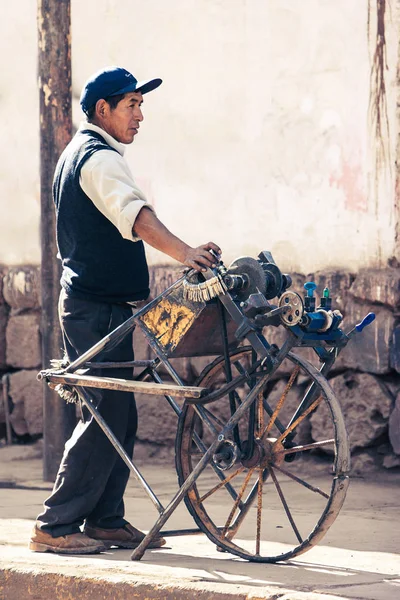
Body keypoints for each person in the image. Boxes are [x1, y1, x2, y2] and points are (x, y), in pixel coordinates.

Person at [29, 66, 221, 554]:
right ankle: (54, 526)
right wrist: (186, 253)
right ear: (103, 110)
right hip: (93, 307)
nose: (139, 116)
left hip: (100, 304)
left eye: (141, 105)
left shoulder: (83, 154)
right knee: (103, 414)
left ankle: (105, 519)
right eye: (131, 105)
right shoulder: (96, 159)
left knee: (120, 412)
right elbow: (135, 216)